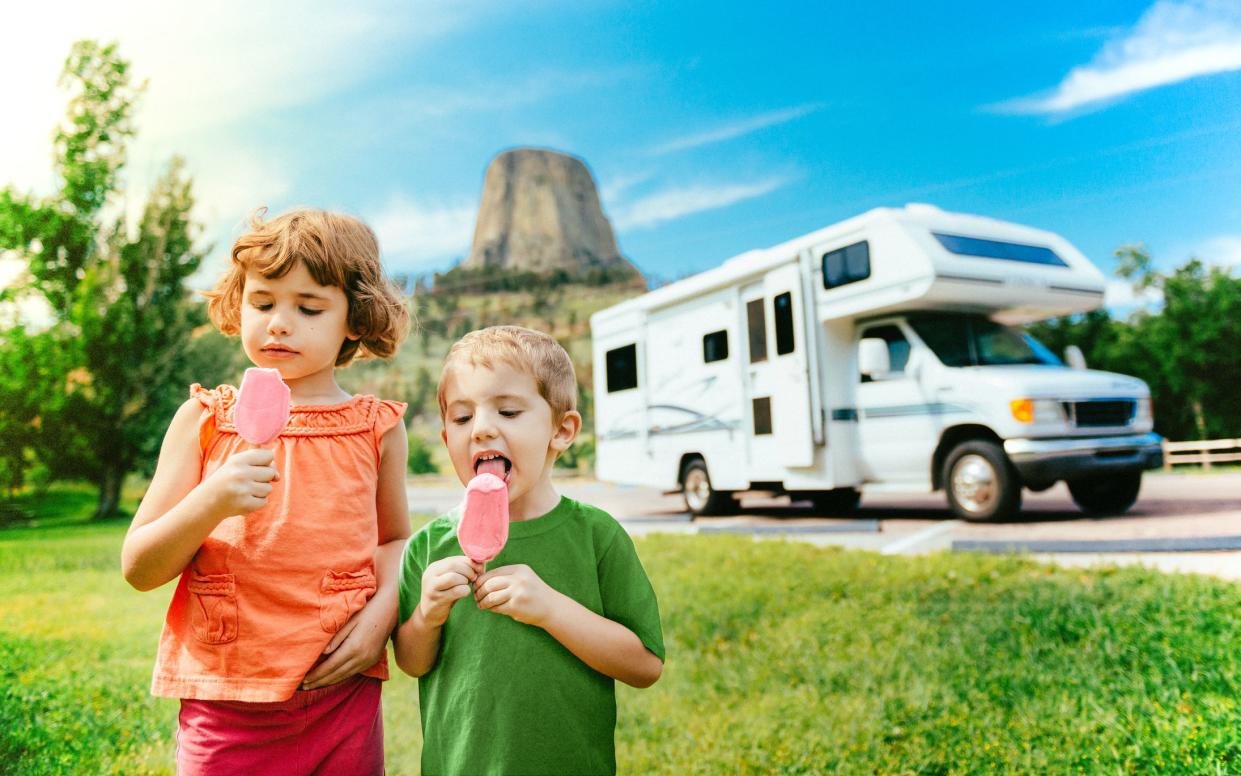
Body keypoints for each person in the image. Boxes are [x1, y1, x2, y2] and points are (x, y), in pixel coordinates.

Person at [121, 208, 412, 775]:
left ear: (354, 319)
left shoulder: (378, 427)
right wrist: (212, 499)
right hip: (225, 699)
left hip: (341, 695)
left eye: (308, 308)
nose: (279, 323)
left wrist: (379, 621)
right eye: (262, 303)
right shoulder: (205, 419)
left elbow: (396, 542)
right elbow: (138, 566)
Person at [394, 325, 665, 775]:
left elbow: (645, 665)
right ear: (446, 440)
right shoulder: (429, 545)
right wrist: (428, 613)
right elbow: (410, 661)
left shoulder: (597, 536)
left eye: (508, 411)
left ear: (561, 430)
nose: (481, 430)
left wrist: (549, 609)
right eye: (462, 419)